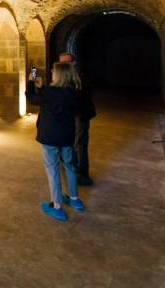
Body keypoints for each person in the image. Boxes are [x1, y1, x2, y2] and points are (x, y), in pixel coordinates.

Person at [26, 62, 86, 221]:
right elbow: (57, 98)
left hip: (51, 137)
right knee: (70, 166)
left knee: (52, 169)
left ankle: (56, 206)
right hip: (67, 136)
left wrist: (30, 82)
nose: (51, 72)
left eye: (53, 71)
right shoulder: (74, 92)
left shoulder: (50, 93)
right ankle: (74, 199)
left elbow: (33, 99)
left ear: (58, 74)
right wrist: (43, 87)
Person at [59, 52, 97, 186]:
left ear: (73, 63)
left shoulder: (80, 79)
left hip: (79, 116)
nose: (64, 66)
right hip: (67, 117)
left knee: (79, 145)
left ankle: (82, 175)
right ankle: (71, 170)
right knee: (68, 144)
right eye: (61, 63)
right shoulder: (63, 79)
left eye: (67, 62)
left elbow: (82, 98)